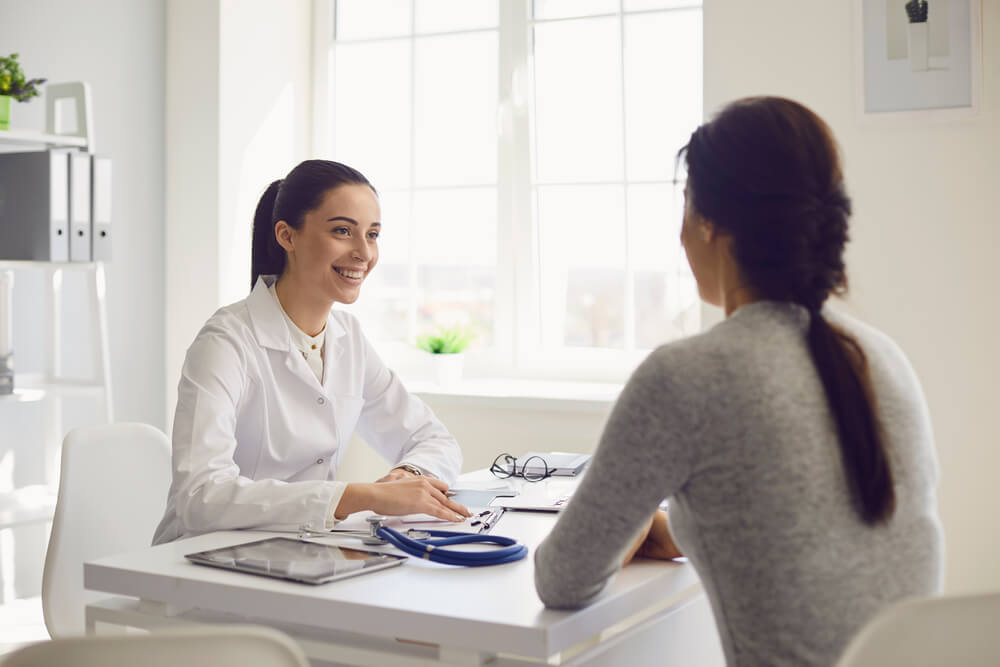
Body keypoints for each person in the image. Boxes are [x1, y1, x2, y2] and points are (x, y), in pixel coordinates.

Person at [533, 97, 943, 666]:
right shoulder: (881, 357)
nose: (679, 237)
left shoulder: (687, 376)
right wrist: (688, 525)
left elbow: (561, 578)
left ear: (709, 224)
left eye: (684, 207)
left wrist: (632, 532)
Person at [153, 160, 470, 544]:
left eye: (372, 234)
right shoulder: (226, 342)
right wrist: (357, 496)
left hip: (300, 552)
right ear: (287, 236)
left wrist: (408, 476)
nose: (363, 253)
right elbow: (200, 498)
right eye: (342, 231)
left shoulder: (347, 337)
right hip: (198, 565)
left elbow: (434, 439)